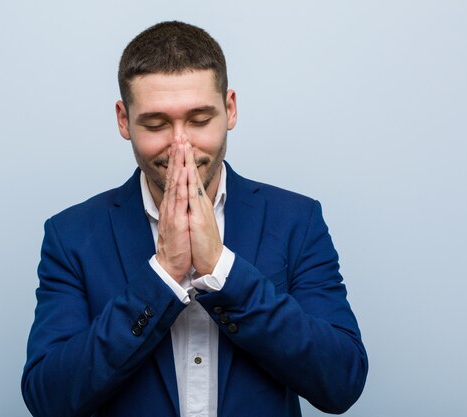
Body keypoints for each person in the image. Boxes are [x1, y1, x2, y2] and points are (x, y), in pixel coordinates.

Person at [21, 21, 368, 417]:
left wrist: (223, 270)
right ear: (123, 120)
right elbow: (48, 398)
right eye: (155, 124)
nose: (180, 144)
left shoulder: (296, 220)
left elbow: (343, 381)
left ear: (230, 109)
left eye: (200, 120)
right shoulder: (71, 236)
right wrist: (162, 277)